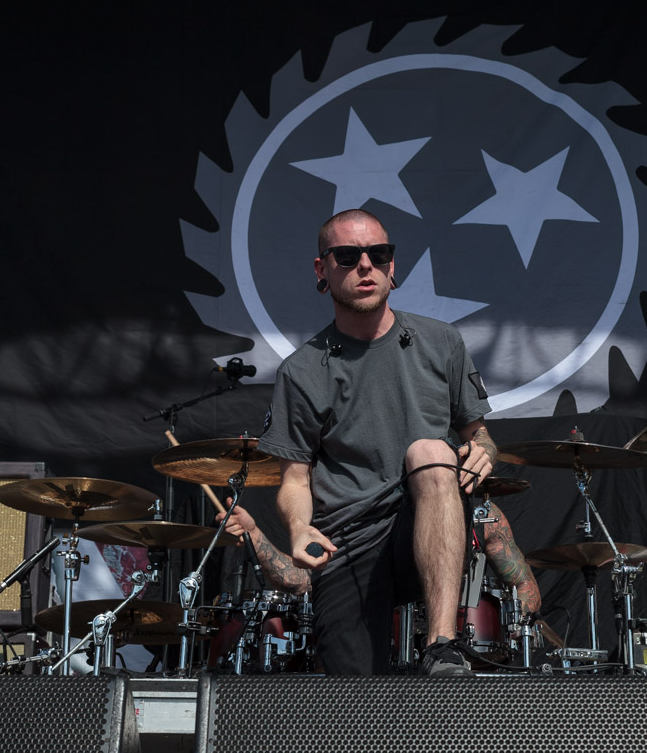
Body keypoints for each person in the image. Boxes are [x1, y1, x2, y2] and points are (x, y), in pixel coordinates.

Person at [256, 208, 497, 675]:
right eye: (348, 256)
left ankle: (441, 646)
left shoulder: (442, 342)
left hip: (424, 516)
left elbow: (479, 433)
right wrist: (299, 528)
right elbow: (295, 480)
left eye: (378, 253)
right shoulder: (301, 371)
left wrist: (484, 451)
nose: (365, 265)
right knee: (354, 699)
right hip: (349, 539)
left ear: (392, 264)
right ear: (322, 269)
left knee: (430, 450)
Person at [216, 497, 541, 614]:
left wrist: (509, 624)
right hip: (383, 645)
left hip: (459, 651)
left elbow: (527, 589)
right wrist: (255, 534)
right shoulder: (363, 516)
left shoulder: (483, 516)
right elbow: (301, 581)